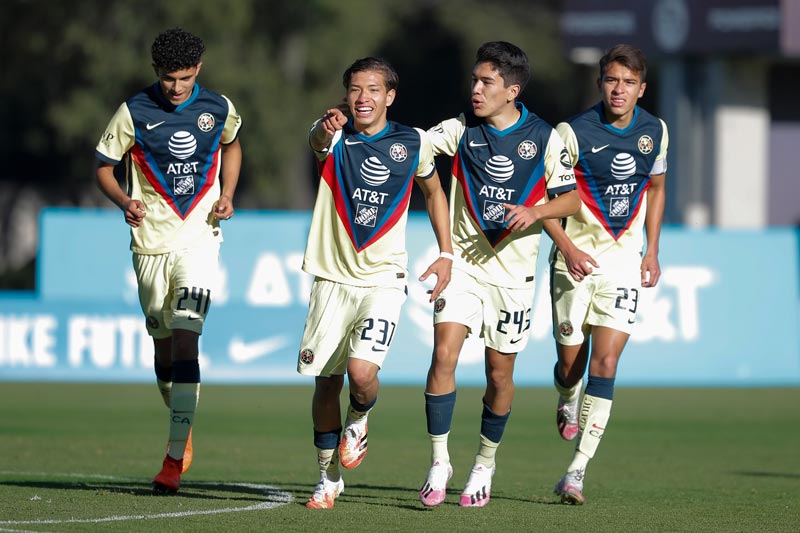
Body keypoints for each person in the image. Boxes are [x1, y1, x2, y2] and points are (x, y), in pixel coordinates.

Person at [419, 41, 580, 508]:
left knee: (498, 373)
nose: (475, 89)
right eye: (474, 79)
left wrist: (537, 210)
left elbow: (571, 200)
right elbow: (412, 146)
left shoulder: (544, 138)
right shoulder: (460, 129)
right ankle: (438, 460)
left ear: (511, 90)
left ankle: (484, 463)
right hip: (465, 267)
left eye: (486, 82)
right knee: (443, 354)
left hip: (513, 279)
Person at [298, 56, 453, 510]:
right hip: (331, 279)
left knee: (362, 376)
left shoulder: (413, 142)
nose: (362, 98)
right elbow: (316, 141)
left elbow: (434, 192)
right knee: (326, 383)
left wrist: (445, 253)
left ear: (390, 96)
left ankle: (360, 419)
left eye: (372, 90)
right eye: (355, 90)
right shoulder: (335, 136)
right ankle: (327, 478)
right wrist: (326, 129)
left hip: (383, 279)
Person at [94, 27, 242, 494]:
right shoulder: (133, 111)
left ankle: (173, 459)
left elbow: (231, 143)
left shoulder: (218, 107)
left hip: (200, 242)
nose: (176, 87)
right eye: (167, 78)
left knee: (185, 339)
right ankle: (184, 423)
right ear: (155, 72)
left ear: (198, 69)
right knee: (163, 351)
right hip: (149, 247)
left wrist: (229, 194)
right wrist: (124, 201)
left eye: (183, 78)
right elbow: (102, 166)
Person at [544, 43, 668, 505]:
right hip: (573, 261)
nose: (619, 89)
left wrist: (652, 250)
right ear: (600, 83)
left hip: (620, 263)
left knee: (607, 363)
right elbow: (548, 201)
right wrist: (568, 247)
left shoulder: (655, 131)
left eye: (629, 82)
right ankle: (566, 394)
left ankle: (576, 472)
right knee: (570, 365)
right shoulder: (571, 132)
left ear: (642, 89)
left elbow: (656, 188)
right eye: (612, 80)